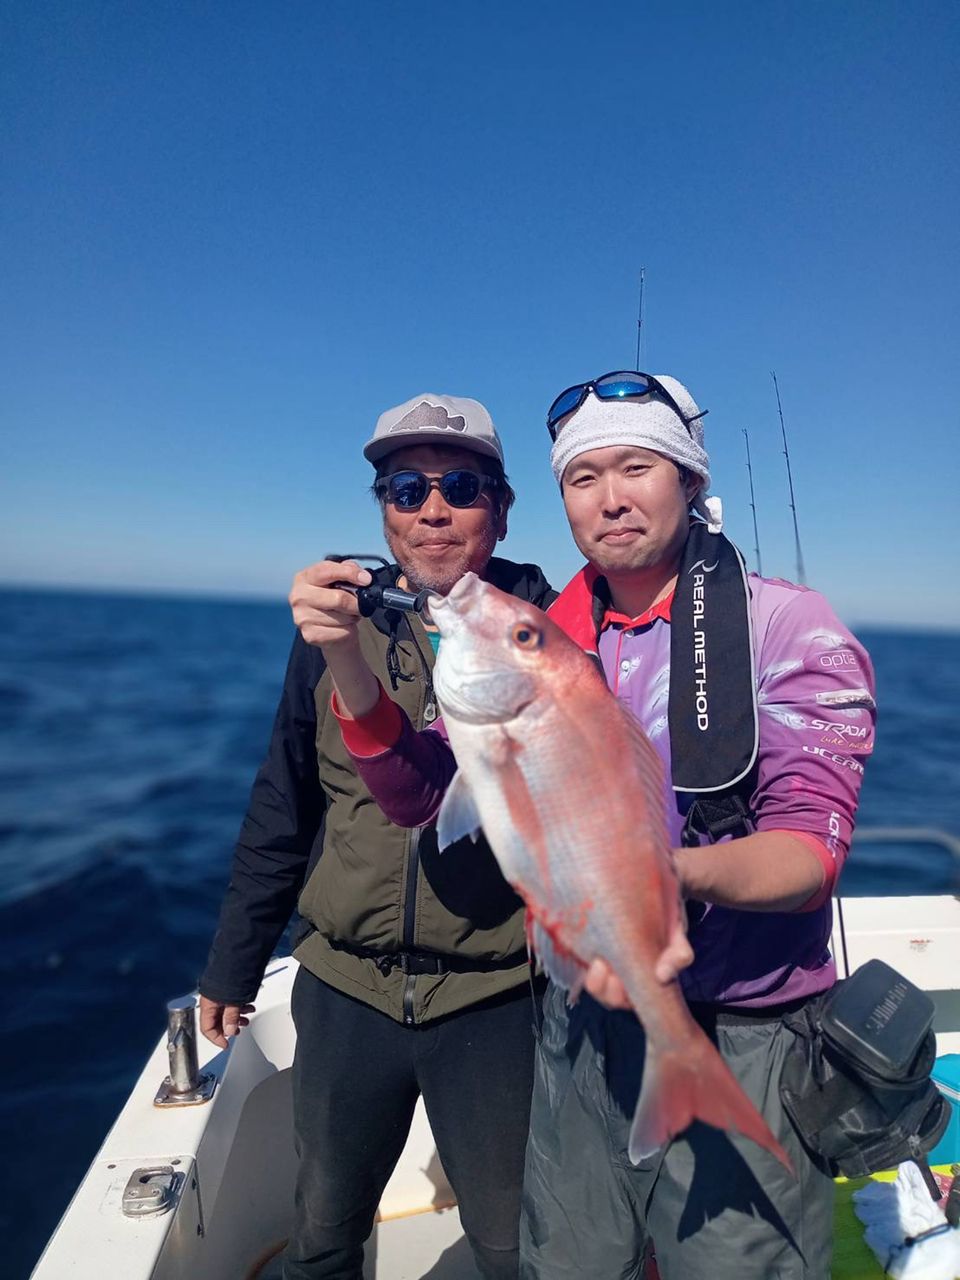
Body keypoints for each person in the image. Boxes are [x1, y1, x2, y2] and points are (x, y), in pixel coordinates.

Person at [324, 371, 876, 1279]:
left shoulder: (788, 628)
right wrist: (345, 658)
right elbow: (423, 795)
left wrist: (665, 881)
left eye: (638, 467)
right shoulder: (544, 630)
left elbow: (810, 854)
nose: (611, 498)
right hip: (576, 1019)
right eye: (583, 478)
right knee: (571, 1264)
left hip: (746, 1030)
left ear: (690, 481)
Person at [198, 392, 555, 1280]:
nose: (432, 509)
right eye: (406, 488)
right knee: (322, 1231)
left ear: (502, 509)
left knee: (514, 1245)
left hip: (498, 993)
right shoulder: (335, 623)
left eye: (461, 485)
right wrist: (234, 963)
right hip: (343, 986)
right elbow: (284, 801)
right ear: (384, 512)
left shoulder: (552, 629)